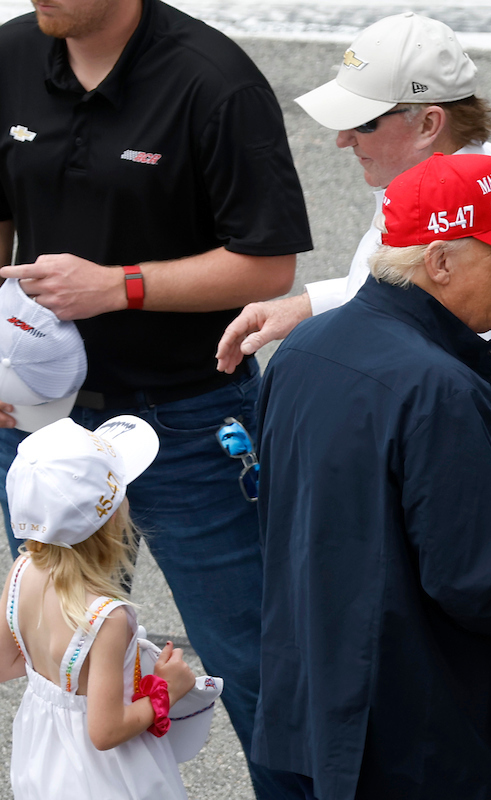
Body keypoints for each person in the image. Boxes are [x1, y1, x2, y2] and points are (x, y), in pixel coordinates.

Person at [0, 1, 312, 795]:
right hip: (44, 426)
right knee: (67, 661)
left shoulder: (214, 83)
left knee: (260, 665)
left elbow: (269, 265)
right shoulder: (9, 56)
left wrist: (119, 287)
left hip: (190, 421)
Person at [252, 152, 491, 800]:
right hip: (420, 747)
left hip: (319, 720)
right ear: (440, 262)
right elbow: (482, 582)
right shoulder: (440, 388)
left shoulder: (301, 352)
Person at [216, 12, 491, 555]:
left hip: (475, 492)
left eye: (363, 123)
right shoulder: (427, 183)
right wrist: (308, 305)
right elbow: (406, 292)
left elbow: (470, 351)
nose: (342, 139)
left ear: (428, 123)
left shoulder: (488, 208)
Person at [0, 415, 193, 799]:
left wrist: (63, 671)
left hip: (43, 758)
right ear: (114, 515)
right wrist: (169, 691)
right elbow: (106, 731)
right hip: (105, 777)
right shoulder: (107, 618)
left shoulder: (21, 571)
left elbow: (5, 664)